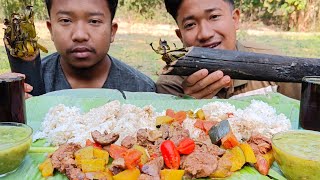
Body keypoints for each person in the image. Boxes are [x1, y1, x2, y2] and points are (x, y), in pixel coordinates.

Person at [4, 0, 155, 98]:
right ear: (51, 30)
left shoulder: (142, 90)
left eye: (94, 21)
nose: (80, 35)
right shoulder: (30, 85)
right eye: (65, 21)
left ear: (112, 31)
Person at [156, 0, 301, 100]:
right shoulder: (170, 85)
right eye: (190, 25)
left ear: (235, 19)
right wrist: (188, 106)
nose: (205, 34)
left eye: (214, 16)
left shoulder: (275, 66)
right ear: (180, 36)